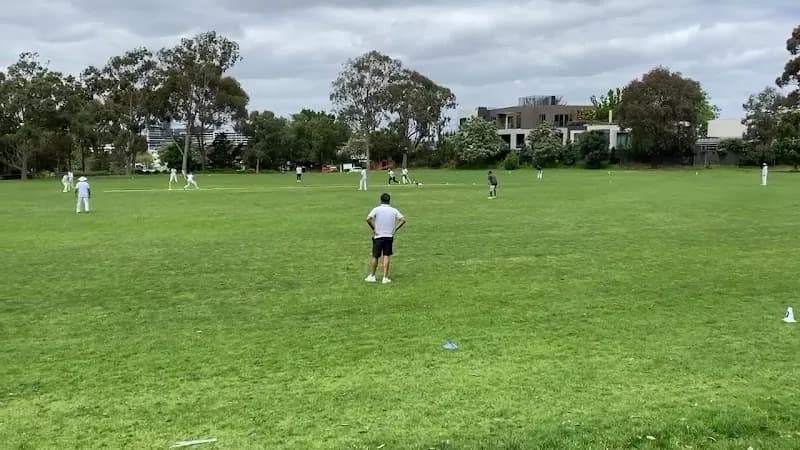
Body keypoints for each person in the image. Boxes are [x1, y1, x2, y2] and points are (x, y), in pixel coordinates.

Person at [365, 193, 406, 284]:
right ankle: (385, 277)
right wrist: (395, 228)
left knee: (375, 256)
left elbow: (368, 219)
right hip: (388, 236)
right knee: (386, 256)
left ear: (381, 200)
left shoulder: (376, 209)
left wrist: (374, 228)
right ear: (389, 201)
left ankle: (372, 276)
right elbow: (403, 219)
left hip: (378, 236)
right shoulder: (393, 210)